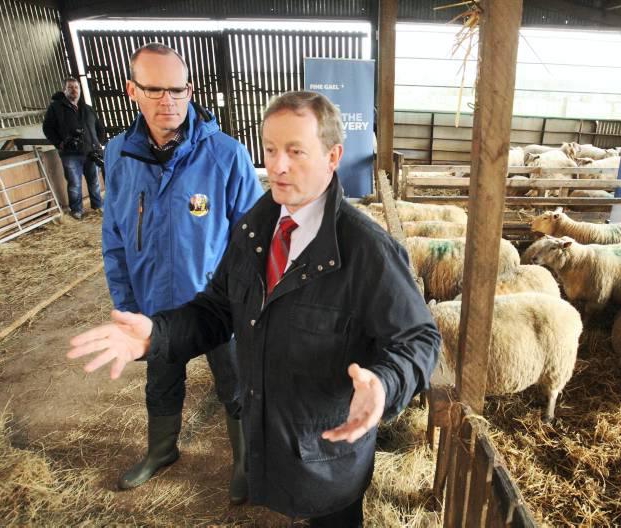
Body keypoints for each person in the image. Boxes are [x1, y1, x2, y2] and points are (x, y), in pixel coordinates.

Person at [68, 90, 440, 526]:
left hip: (327, 458)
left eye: (295, 151)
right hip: (270, 443)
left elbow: (419, 339)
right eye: (270, 149)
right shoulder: (254, 227)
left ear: (333, 156)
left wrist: (385, 383)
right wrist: (157, 334)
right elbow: (216, 309)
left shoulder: (366, 249)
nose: (277, 166)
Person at [99, 43, 263, 504]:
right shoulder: (119, 155)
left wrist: (244, 305)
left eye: (177, 89)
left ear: (190, 90)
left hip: (218, 309)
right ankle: (162, 450)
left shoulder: (226, 155)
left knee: (236, 385)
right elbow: (114, 235)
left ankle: (245, 463)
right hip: (154, 306)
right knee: (161, 383)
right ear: (132, 90)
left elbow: (255, 241)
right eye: (155, 90)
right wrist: (126, 305)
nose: (167, 100)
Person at [42, 77, 105, 220]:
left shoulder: (87, 108)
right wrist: (59, 143)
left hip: (91, 152)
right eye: (70, 87)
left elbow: (99, 127)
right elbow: (47, 128)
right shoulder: (56, 108)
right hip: (70, 153)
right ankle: (77, 210)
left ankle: (97, 206)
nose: (74, 90)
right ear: (64, 90)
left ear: (80, 90)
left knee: (94, 181)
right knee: (74, 183)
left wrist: (98, 142)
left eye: (76, 87)